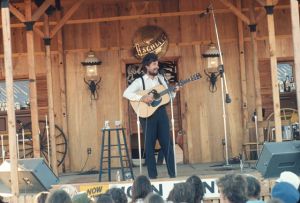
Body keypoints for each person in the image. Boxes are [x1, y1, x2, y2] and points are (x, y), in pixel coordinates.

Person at [123, 52, 178, 179]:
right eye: (154, 64)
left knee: (167, 144)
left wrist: (174, 92)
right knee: (149, 146)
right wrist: (142, 97)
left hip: (161, 113)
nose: (156, 66)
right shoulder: (139, 81)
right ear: (147, 66)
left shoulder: (161, 79)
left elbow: (167, 96)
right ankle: (153, 177)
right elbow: (126, 93)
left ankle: (173, 174)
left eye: (157, 64)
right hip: (147, 115)